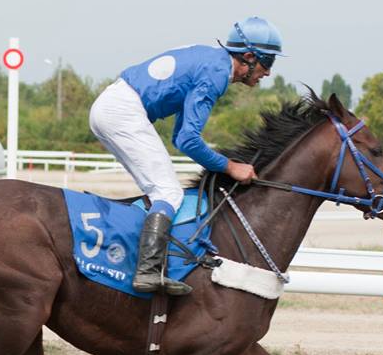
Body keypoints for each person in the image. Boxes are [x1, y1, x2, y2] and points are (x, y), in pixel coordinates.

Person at [89, 16, 283, 295]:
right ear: (249, 57)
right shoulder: (217, 73)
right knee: (168, 192)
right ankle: (147, 272)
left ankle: (137, 258)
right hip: (122, 111)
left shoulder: (211, 62)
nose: (268, 72)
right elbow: (188, 140)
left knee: (158, 190)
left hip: (112, 106)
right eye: (268, 62)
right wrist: (230, 166)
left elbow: (181, 137)